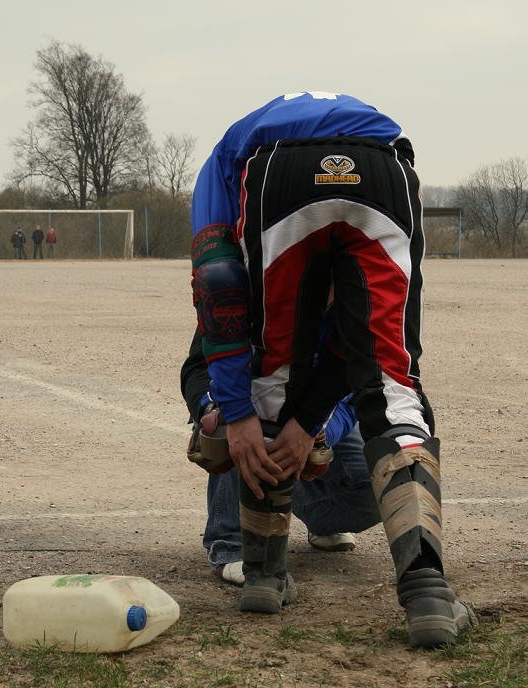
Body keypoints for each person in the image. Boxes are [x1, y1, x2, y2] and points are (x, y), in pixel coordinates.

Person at [189, 91, 475, 648]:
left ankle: (264, 577)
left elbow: (219, 282)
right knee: (393, 387)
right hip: (383, 165)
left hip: (279, 172)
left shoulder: (224, 161)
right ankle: (428, 595)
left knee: (269, 378)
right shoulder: (359, 134)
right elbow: (356, 336)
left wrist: (249, 412)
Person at [181, 328, 380, 585]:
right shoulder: (235, 302)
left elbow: (359, 386)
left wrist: (317, 433)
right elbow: (198, 367)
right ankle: (231, 544)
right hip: (248, 399)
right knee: (239, 429)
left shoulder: (346, 306)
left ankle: (315, 515)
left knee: (379, 483)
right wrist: (215, 409)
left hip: (319, 408)